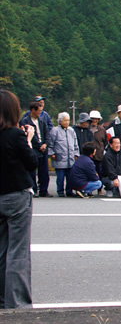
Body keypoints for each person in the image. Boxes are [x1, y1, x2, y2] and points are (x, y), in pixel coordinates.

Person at [0, 89, 38, 309]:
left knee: (2, 249)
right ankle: (18, 304)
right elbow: (31, 162)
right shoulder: (15, 135)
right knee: (18, 251)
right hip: (16, 196)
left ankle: (2, 299)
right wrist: (29, 140)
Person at [19, 101, 50, 197]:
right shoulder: (24, 121)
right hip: (33, 149)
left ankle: (44, 190)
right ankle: (33, 189)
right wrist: (38, 145)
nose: (40, 113)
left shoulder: (42, 120)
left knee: (44, 171)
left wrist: (45, 144)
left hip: (43, 148)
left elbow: (47, 133)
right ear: (33, 110)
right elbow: (27, 136)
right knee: (32, 171)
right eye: (39, 111)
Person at [48, 113, 79, 197]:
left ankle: (69, 191)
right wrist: (52, 153)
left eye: (68, 120)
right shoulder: (55, 130)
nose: (67, 122)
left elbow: (75, 144)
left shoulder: (71, 130)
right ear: (60, 121)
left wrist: (76, 154)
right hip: (60, 157)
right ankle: (60, 191)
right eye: (65, 120)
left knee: (70, 177)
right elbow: (50, 144)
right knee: (60, 177)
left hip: (70, 158)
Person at [88, 110, 107, 195]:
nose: (94, 121)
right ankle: (90, 190)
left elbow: (105, 142)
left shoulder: (102, 130)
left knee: (99, 173)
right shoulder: (86, 129)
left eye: (96, 119)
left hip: (99, 155)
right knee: (89, 172)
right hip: (88, 155)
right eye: (93, 119)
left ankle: (100, 190)